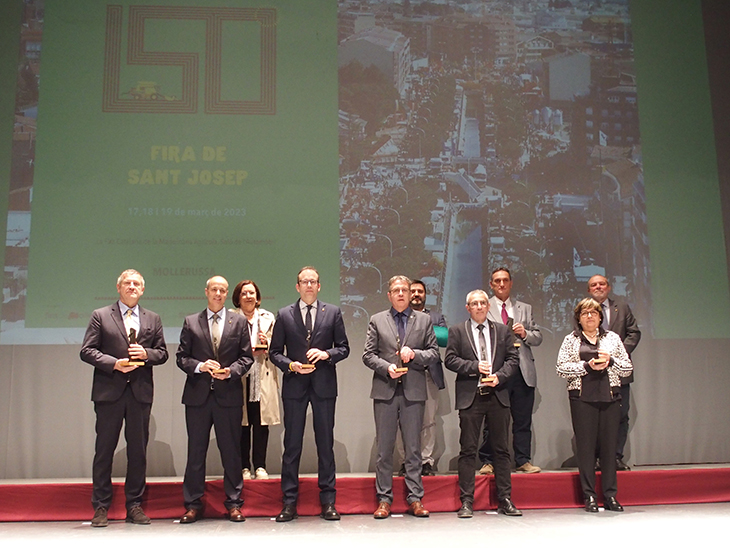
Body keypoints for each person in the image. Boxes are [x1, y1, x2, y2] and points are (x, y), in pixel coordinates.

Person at [80, 269, 168, 527]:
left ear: (143, 290)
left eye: (137, 284)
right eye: (127, 283)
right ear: (118, 287)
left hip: (139, 393)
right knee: (104, 450)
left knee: (138, 452)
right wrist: (114, 364)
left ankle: (134, 505)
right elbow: (87, 350)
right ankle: (100, 506)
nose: (132, 287)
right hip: (109, 392)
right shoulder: (101, 315)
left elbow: (162, 353)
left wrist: (146, 354)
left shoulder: (153, 318)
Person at [269, 266, 350, 522]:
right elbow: (274, 353)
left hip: (324, 385)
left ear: (319, 286)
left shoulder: (333, 312)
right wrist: (290, 365)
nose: (309, 285)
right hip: (294, 385)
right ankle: (289, 502)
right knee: (291, 446)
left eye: (313, 281)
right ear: (297, 286)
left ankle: (328, 501)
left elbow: (344, 348)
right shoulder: (284, 314)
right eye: (304, 281)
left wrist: (327, 354)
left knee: (325, 444)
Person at [176, 275, 253, 523]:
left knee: (231, 453)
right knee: (195, 453)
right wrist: (200, 366)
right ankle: (193, 505)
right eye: (214, 289)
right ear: (206, 292)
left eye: (222, 290)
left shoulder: (239, 322)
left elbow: (247, 358)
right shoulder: (191, 322)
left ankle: (234, 503)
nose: (218, 294)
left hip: (228, 396)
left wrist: (230, 371)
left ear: (227, 293)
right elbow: (182, 358)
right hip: (198, 398)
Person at [362, 275, 440, 519]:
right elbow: (368, 355)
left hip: (413, 390)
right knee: (385, 450)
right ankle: (384, 499)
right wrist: (387, 367)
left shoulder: (424, 320)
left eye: (404, 290)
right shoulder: (377, 320)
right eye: (395, 290)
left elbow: (434, 354)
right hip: (385, 389)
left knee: (414, 449)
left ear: (409, 293)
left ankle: (415, 499)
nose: (400, 294)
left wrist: (414, 354)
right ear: (389, 295)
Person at [445, 289, 522, 518]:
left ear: (488, 307)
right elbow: (449, 359)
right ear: (467, 308)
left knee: (501, 450)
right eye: (474, 304)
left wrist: (500, 376)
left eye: (482, 303)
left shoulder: (501, 330)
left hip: (497, 394)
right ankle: (467, 501)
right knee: (468, 450)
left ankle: (505, 499)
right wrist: (473, 367)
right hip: (471, 396)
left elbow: (512, 358)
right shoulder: (457, 331)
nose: (479, 306)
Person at [556, 298, 633, 512]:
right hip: (582, 399)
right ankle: (589, 495)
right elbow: (561, 368)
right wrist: (586, 366)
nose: (589, 316)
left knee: (609, 449)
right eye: (585, 313)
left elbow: (627, 369)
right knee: (586, 449)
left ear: (600, 317)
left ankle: (610, 496)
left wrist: (612, 361)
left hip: (610, 398)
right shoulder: (570, 340)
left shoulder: (613, 338)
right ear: (579, 319)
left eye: (594, 313)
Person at [479, 268, 543, 475]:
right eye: (497, 281)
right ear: (491, 284)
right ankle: (488, 460)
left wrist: (525, 333)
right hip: (497, 370)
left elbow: (538, 337)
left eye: (505, 280)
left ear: (511, 283)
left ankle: (523, 460)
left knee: (523, 420)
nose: (501, 284)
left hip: (523, 370)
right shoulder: (484, 307)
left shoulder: (524, 308)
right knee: (492, 420)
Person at [587, 274, 641, 471]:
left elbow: (634, 332)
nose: (598, 287)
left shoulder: (623, 307)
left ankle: (615, 457)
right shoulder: (584, 310)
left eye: (602, 284)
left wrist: (617, 353)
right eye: (594, 285)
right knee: (594, 418)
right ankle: (595, 458)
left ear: (608, 287)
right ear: (589, 290)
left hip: (619, 370)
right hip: (593, 372)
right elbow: (578, 337)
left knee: (619, 416)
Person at [229, 279, 280, 481]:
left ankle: (260, 466)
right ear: (238, 298)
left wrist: (267, 343)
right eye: (244, 293)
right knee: (242, 424)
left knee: (261, 423)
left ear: (257, 297)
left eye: (252, 293)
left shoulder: (268, 317)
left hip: (263, 374)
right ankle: (243, 466)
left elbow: (277, 347)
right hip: (240, 376)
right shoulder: (231, 318)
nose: (248, 296)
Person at [395, 279, 446, 476]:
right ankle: (405, 460)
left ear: (426, 295)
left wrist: (421, 329)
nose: (416, 294)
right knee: (402, 420)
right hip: (405, 374)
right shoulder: (399, 317)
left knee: (429, 420)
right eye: (413, 291)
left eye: (420, 292)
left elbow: (443, 339)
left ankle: (426, 461)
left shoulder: (435, 316)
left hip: (428, 374)